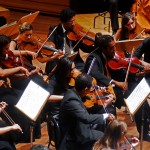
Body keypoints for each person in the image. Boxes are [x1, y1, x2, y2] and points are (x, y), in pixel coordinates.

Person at [59, 73, 115, 150]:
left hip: (79, 127)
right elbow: (86, 118)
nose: (93, 89)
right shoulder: (71, 100)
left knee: (102, 128)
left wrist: (104, 99)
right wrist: (106, 116)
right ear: (85, 89)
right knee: (103, 136)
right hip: (74, 137)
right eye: (91, 87)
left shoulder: (73, 92)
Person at [84, 33, 128, 109]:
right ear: (103, 49)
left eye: (115, 46)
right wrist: (115, 82)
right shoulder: (93, 57)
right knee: (129, 97)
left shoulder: (108, 55)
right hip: (101, 91)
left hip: (110, 87)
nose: (115, 49)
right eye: (111, 48)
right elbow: (93, 72)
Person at [46, 8, 94, 74]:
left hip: (74, 58)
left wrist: (95, 44)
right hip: (58, 59)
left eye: (74, 21)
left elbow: (85, 49)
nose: (73, 24)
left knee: (83, 73)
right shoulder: (54, 29)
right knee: (62, 73)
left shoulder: (75, 31)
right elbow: (50, 45)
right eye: (71, 22)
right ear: (63, 22)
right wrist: (56, 54)